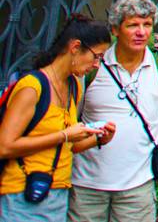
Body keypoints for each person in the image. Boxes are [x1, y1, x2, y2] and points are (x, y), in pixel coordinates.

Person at [71, 0, 158, 222]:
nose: (141, 32)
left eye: (147, 24)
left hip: (137, 187)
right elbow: (70, 121)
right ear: (116, 29)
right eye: (133, 25)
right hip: (86, 184)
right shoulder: (93, 67)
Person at [0, 13, 116, 222]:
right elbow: (4, 146)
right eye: (96, 56)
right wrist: (63, 135)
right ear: (75, 47)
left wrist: (97, 138)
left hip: (57, 194)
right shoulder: (32, 87)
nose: (97, 65)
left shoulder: (73, 86)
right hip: (22, 193)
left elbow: (65, 145)